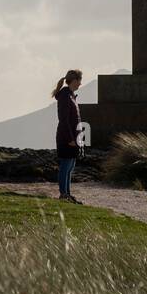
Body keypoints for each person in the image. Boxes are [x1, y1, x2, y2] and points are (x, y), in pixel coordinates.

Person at [52, 70, 84, 203]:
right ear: (74, 80)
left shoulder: (71, 95)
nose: (81, 84)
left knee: (70, 166)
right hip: (67, 138)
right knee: (66, 166)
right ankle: (63, 194)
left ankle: (68, 194)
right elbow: (64, 120)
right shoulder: (65, 96)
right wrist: (70, 139)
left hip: (73, 138)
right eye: (79, 80)